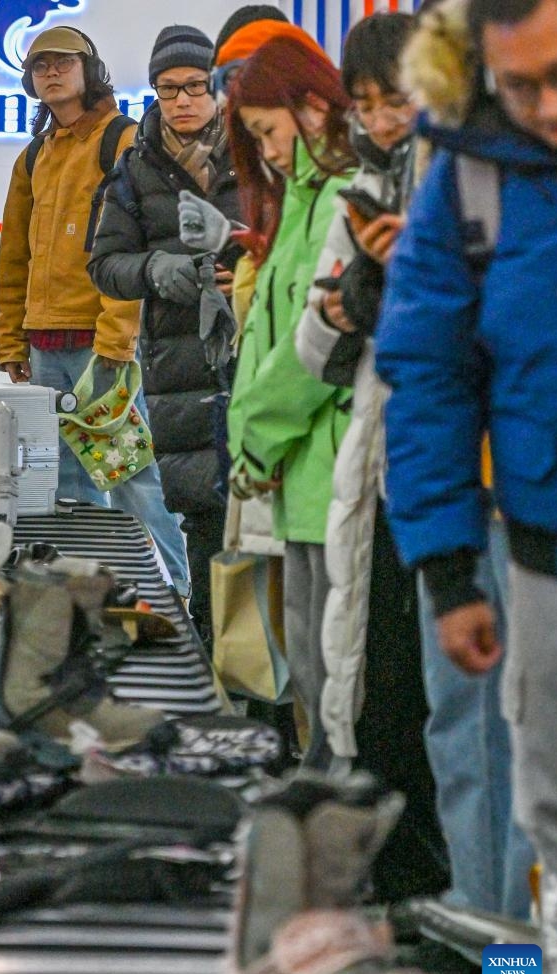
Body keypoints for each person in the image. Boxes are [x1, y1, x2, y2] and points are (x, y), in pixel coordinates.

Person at [374, 0, 557, 974]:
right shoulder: (472, 174)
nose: (548, 107)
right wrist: (448, 574)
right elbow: (429, 372)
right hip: (529, 555)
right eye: (521, 85)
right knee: (527, 808)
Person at [294, 12, 449, 901]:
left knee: (468, 733)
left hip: (470, 488)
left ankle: (497, 956)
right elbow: (313, 350)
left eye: (397, 100)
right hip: (386, 481)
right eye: (366, 104)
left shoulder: (469, 186)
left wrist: (403, 289)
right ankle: (402, 918)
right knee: (383, 704)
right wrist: (348, 306)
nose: (382, 120)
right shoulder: (359, 192)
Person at [0, 25, 190, 600]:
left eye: (63, 62)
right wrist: (11, 341)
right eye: (40, 65)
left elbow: (132, 247)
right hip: (44, 348)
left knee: (132, 478)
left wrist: (116, 340)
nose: (51, 72)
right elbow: (14, 255)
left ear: (90, 70)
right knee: (66, 486)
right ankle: (87, 600)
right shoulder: (35, 155)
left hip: (101, 346)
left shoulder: (122, 140)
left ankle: (175, 597)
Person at [224, 33, 356, 772]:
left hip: (329, 467)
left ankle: (342, 810)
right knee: (309, 661)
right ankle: (323, 797)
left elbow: (314, 345)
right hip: (299, 472)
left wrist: (256, 437)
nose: (268, 152)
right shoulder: (299, 203)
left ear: (311, 105)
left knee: (337, 674)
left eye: (267, 130)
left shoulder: (341, 198)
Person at [88, 25, 241, 650]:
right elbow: (105, 262)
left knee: (268, 526)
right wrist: (158, 269)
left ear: (217, 86)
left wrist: (250, 270)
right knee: (203, 523)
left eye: (194, 86)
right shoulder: (135, 165)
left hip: (261, 353)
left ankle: (271, 684)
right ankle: (215, 665)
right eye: (167, 88)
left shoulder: (256, 151)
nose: (181, 100)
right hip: (180, 367)